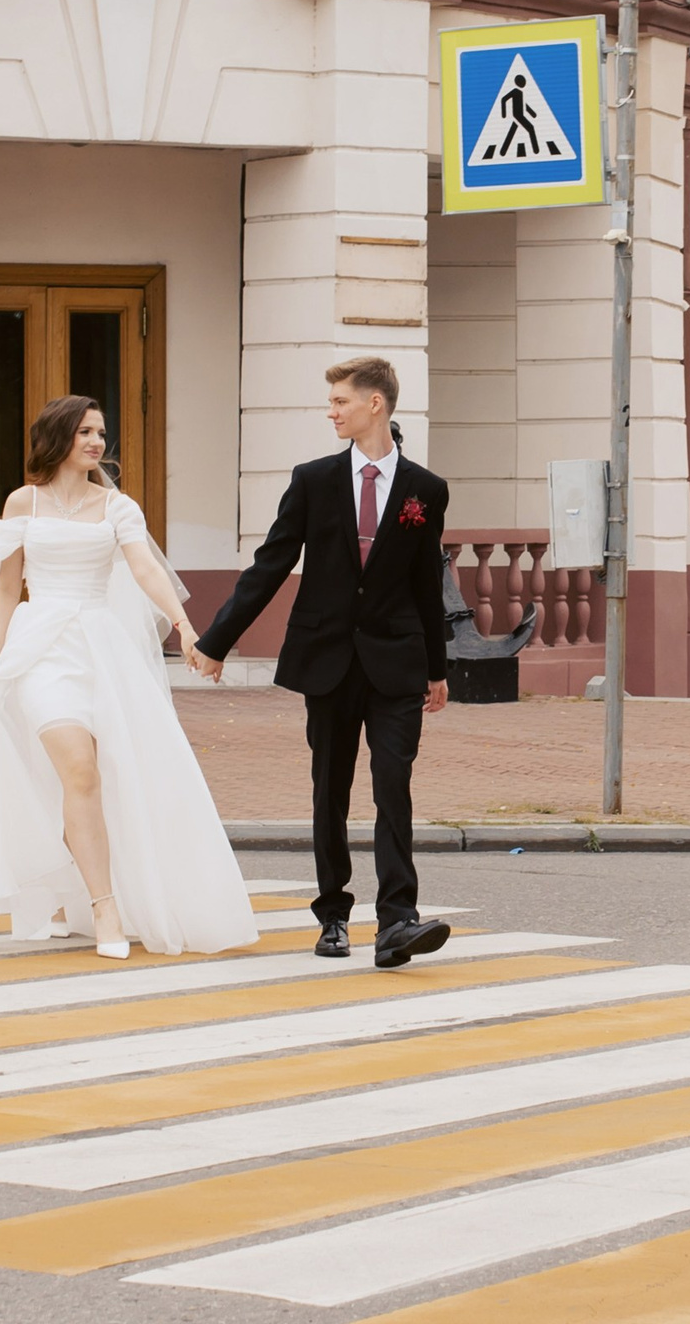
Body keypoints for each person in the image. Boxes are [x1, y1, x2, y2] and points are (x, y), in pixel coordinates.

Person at [0, 394, 257, 960]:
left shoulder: (116, 507)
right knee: (77, 769)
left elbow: (145, 568)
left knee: (91, 778)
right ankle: (104, 906)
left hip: (101, 648)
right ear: (59, 437)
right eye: (84, 432)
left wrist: (183, 624)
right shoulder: (21, 503)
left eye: (100, 432)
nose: (96, 442)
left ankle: (69, 891)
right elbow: (8, 588)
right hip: (42, 651)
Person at [186, 356, 452, 970]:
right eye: (331, 402)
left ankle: (397, 921)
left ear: (375, 405)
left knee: (394, 788)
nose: (331, 411)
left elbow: (425, 585)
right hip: (327, 660)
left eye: (340, 401)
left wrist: (437, 670)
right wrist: (215, 640)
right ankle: (333, 915)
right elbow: (270, 564)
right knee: (329, 791)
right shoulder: (313, 480)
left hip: (396, 662)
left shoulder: (424, 490)